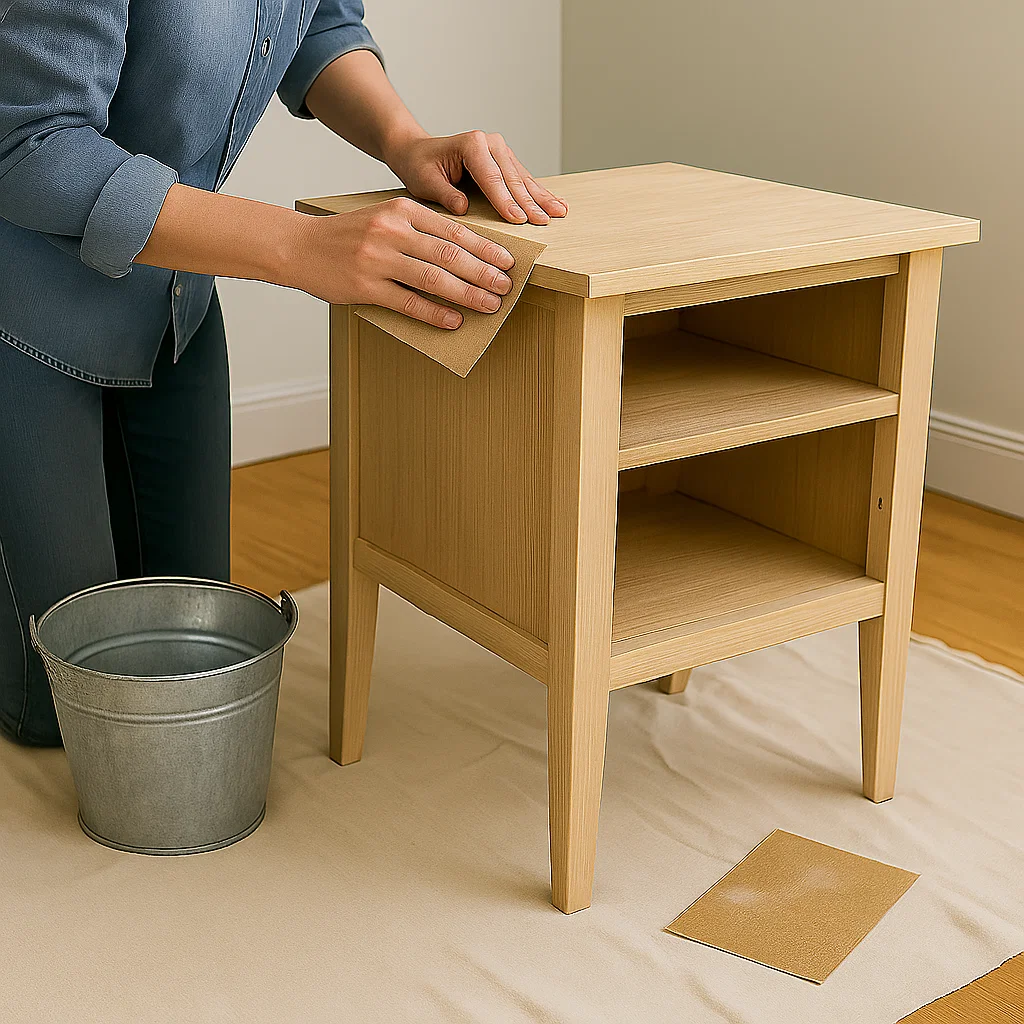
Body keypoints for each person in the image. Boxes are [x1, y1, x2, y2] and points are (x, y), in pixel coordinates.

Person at [0, 1, 567, 747]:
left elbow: (321, 24)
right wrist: (300, 249)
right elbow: (28, 144)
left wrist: (406, 141)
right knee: (59, 713)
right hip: (24, 310)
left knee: (183, 658)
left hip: (175, 297)